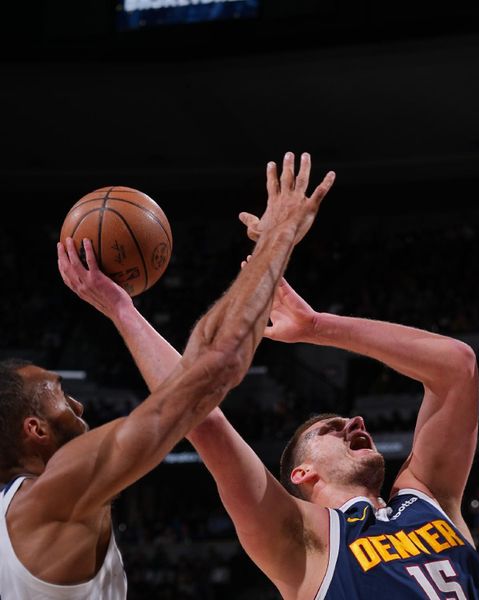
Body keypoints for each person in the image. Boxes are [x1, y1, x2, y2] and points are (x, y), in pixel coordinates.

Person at [59, 185, 479, 599]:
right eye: (330, 428)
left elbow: (456, 366)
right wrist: (120, 309)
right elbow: (200, 416)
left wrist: (316, 326)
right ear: (302, 474)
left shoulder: (428, 497)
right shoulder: (300, 537)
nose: (355, 421)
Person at [1, 151, 334, 599]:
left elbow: (200, 410)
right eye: (59, 394)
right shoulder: (57, 492)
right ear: (34, 428)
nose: (78, 405)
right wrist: (279, 236)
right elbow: (214, 368)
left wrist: (121, 309)